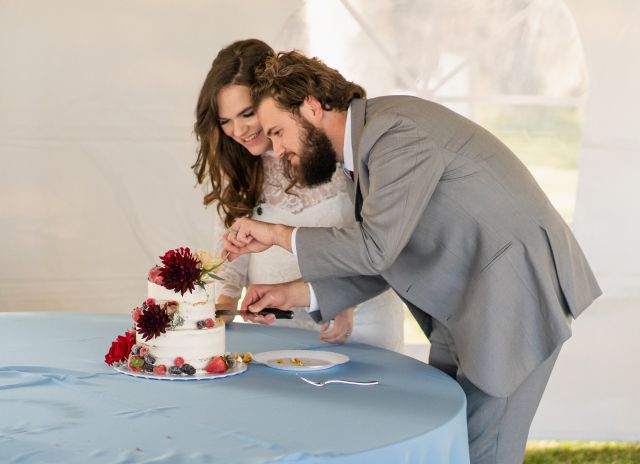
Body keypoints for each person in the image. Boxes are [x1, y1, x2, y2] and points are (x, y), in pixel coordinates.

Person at [222, 50, 602, 464]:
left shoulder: (394, 133)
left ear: (312, 106)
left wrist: (277, 234)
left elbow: (375, 247)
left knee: (481, 452)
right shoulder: (371, 140)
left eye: (277, 132)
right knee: (442, 440)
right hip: (466, 305)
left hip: (511, 299)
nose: (276, 148)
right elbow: (390, 253)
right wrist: (293, 294)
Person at [192, 39, 404, 351]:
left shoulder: (328, 147)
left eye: (247, 114)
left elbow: (378, 241)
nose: (238, 130)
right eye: (225, 121)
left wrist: (345, 302)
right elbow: (230, 263)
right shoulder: (237, 164)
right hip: (277, 326)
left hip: (358, 319)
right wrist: (217, 316)